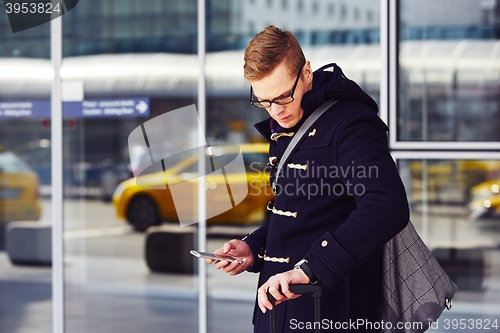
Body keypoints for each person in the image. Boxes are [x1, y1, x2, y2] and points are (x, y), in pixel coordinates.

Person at [207, 25, 410, 333]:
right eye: (263, 101)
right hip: (276, 308)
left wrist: (310, 269)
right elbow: (300, 211)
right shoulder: (287, 121)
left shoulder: (350, 123)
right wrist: (254, 248)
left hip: (331, 309)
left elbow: (386, 205)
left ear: (306, 73)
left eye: (283, 96)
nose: (275, 111)